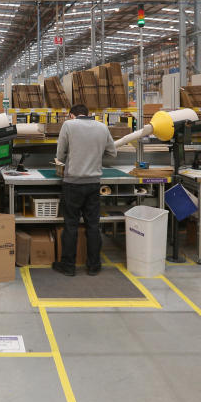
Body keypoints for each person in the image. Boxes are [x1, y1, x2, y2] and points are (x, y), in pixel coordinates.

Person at [52, 103, 117, 277]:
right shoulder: (102, 127)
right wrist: (94, 153)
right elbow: (113, 153)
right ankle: (94, 265)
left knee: (71, 225)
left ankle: (68, 266)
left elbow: (59, 156)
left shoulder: (69, 125)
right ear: (87, 114)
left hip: (73, 183)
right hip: (94, 183)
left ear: (72, 115)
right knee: (93, 226)